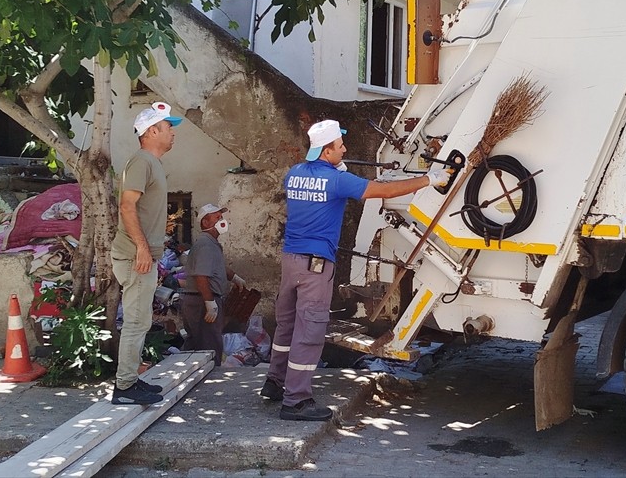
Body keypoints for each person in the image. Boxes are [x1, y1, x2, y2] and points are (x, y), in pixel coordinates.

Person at [263, 119, 450, 421]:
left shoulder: (294, 173)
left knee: (286, 326)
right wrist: (430, 179)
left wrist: (335, 169)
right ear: (326, 151)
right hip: (316, 264)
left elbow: (315, 187)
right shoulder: (337, 181)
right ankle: (295, 401)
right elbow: (385, 191)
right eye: (340, 146)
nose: (345, 149)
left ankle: (274, 382)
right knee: (309, 332)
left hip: (291, 260)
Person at [111, 101, 183, 405]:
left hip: (142, 255)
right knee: (137, 321)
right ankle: (125, 387)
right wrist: (142, 247)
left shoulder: (151, 163)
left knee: (139, 321)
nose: (172, 132)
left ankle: (130, 381)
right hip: (134, 256)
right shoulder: (141, 162)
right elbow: (127, 206)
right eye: (168, 127)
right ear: (152, 131)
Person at [178, 203, 247, 363]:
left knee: (198, 344)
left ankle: (192, 376)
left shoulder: (210, 244)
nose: (221, 220)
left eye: (221, 217)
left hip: (200, 299)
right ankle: (208, 379)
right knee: (209, 344)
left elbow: (217, 266)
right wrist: (210, 303)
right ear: (205, 223)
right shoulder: (205, 245)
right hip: (201, 300)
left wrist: (234, 277)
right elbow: (201, 276)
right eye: (217, 217)